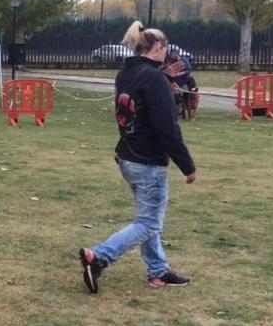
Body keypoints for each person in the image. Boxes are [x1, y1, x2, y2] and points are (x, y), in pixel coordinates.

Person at [80, 21, 197, 293]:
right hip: (148, 161)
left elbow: (140, 101)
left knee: (148, 217)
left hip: (128, 156)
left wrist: (163, 76)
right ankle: (99, 257)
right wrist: (187, 166)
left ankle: (158, 271)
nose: (167, 53)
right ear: (158, 47)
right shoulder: (153, 78)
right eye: (165, 48)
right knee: (149, 221)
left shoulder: (127, 74)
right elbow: (167, 127)